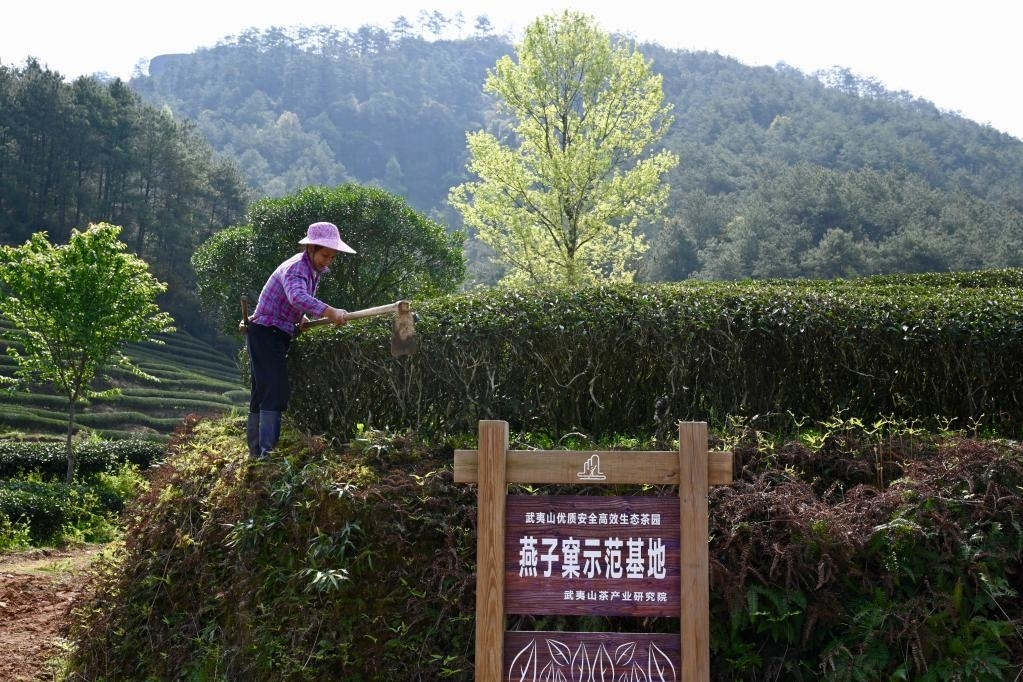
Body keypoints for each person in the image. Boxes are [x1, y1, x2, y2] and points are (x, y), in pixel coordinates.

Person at [245, 221, 356, 458]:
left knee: (262, 391)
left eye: (332, 257)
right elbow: (296, 296)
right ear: (311, 248)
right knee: (274, 389)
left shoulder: (311, 269)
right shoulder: (297, 267)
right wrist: (330, 311)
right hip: (266, 331)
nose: (328, 261)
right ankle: (266, 453)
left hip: (275, 331)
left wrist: (302, 316)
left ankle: (257, 452)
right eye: (325, 254)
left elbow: (292, 300)